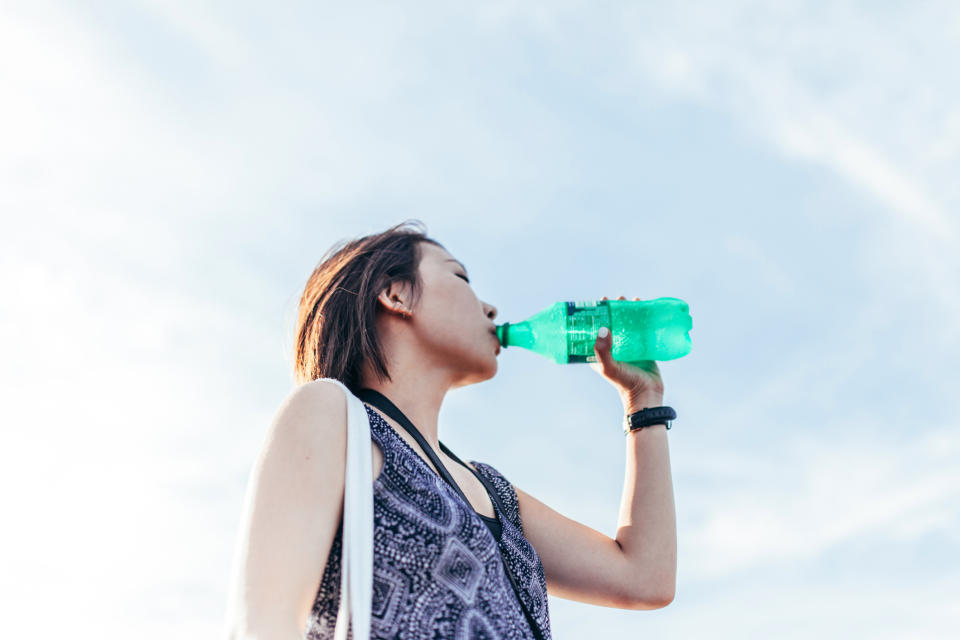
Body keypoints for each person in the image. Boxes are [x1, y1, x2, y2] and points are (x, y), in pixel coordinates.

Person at [224, 220, 677, 639]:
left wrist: (644, 402)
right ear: (396, 294)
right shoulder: (332, 416)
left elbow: (645, 578)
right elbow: (263, 622)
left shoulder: (492, 490)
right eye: (460, 277)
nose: (490, 307)